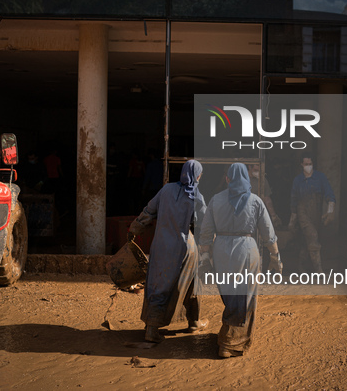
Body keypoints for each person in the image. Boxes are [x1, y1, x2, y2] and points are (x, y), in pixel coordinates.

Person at [199, 163, 281, 358]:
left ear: (227, 179)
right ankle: (230, 343)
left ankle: (228, 334)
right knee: (245, 296)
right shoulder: (255, 201)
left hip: (221, 251)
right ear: (247, 178)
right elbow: (269, 234)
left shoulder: (215, 200)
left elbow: (206, 233)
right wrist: (275, 256)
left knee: (229, 294)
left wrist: (205, 259)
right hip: (247, 249)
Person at [128, 160, 208, 343]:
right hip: (184, 247)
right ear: (197, 175)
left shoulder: (166, 190)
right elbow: (205, 222)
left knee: (159, 283)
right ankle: (194, 321)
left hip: (161, 245)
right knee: (192, 283)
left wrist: (134, 229)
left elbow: (148, 211)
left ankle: (152, 328)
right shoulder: (196, 195)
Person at [288, 153, 336, 273]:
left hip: (316, 212)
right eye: (306, 164)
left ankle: (301, 266)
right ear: (301, 165)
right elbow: (294, 200)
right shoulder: (298, 180)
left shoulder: (320, 177)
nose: (308, 166)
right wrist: (293, 220)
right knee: (312, 236)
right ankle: (318, 270)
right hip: (302, 212)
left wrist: (330, 211)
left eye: (310, 164)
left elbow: (329, 194)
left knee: (307, 240)